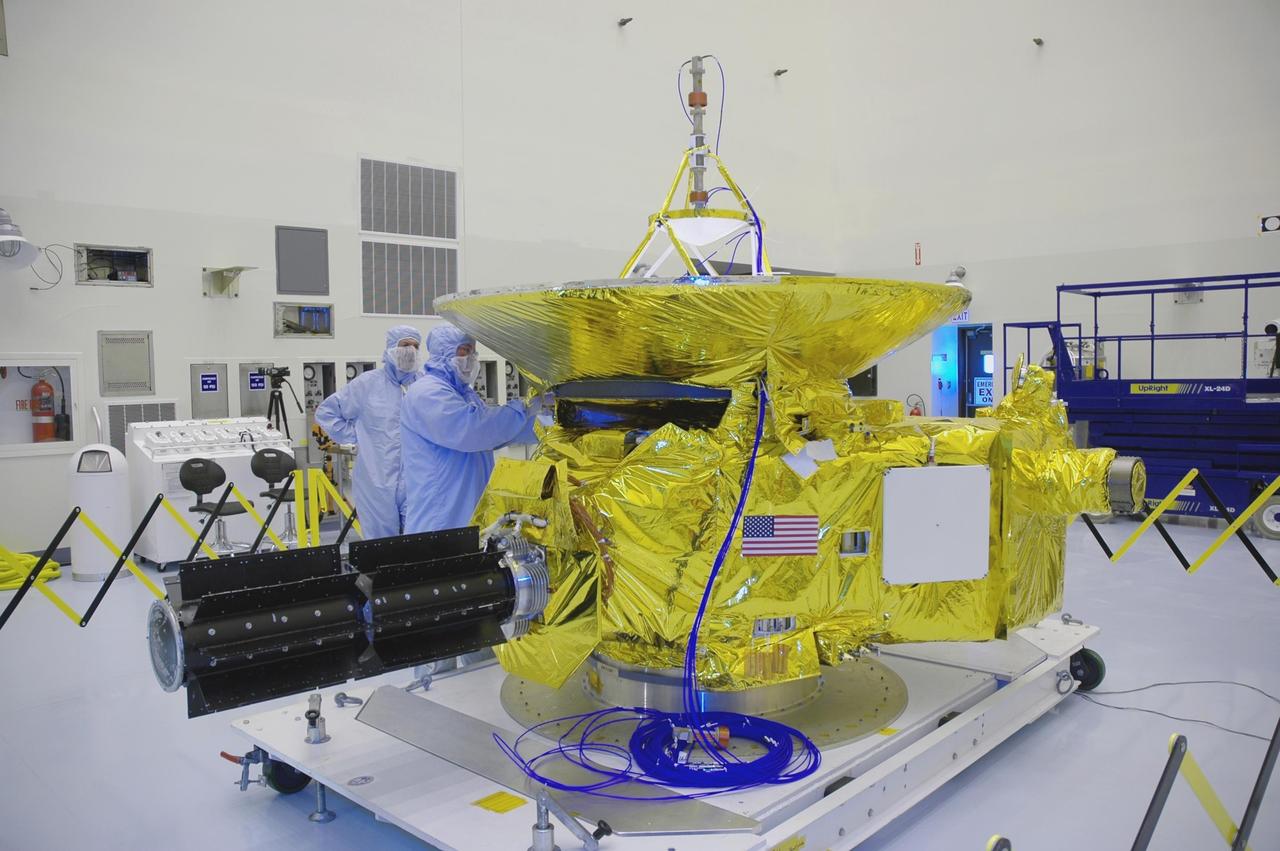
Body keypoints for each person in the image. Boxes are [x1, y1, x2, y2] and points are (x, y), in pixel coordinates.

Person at [401, 324, 545, 534]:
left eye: (473, 351)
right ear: (445, 352)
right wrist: (523, 408)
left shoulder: (464, 394)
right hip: (440, 519)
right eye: (464, 351)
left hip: (466, 513)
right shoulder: (427, 393)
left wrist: (548, 425)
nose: (471, 358)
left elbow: (496, 435)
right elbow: (474, 430)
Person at [314, 324, 422, 539]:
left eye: (415, 346)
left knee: (419, 540)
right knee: (383, 546)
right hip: (376, 480)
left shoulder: (424, 385)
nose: (410, 350)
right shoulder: (367, 384)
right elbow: (326, 412)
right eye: (405, 345)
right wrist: (356, 436)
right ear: (391, 348)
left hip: (416, 479)